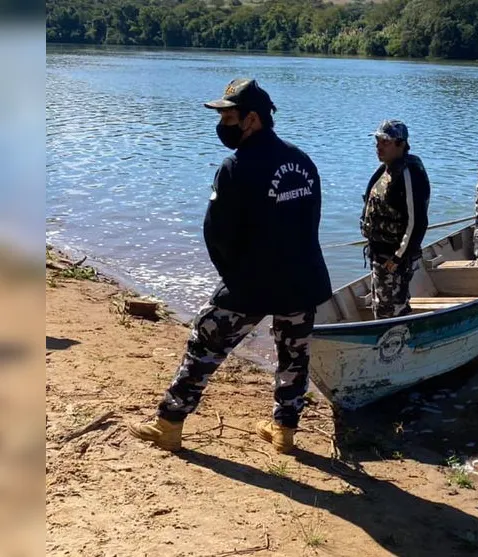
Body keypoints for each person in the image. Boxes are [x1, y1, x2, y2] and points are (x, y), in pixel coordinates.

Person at [128, 78, 332, 454]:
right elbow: (311, 221)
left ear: (251, 119)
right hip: (304, 279)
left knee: (204, 343)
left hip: (252, 283)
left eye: (228, 116)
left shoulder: (236, 166)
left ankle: (169, 424)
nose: (222, 124)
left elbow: (216, 233)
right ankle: (284, 432)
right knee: (294, 355)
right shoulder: (302, 161)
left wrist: (234, 279)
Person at [359, 120, 431, 319]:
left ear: (400, 144)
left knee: (393, 309)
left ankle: (400, 345)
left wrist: (399, 257)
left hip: (394, 257)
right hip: (379, 253)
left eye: (385, 142)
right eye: (377, 140)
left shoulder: (408, 174)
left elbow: (416, 221)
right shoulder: (386, 169)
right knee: (382, 307)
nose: (378, 146)